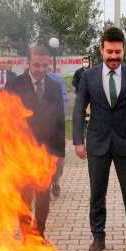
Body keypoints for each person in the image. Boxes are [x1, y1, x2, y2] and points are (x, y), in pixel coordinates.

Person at [72, 26, 126, 251]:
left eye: (118, 52)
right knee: (97, 193)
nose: (114, 56)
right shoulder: (88, 77)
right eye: (110, 52)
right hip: (97, 143)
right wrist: (78, 140)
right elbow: (78, 110)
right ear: (101, 50)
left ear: (124, 50)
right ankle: (98, 237)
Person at [7, 47, 65, 237]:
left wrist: (59, 153)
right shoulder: (15, 85)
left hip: (46, 151)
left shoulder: (54, 86)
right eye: (37, 65)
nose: (41, 69)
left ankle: (39, 233)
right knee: (24, 196)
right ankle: (26, 235)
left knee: (43, 195)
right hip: (22, 151)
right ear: (28, 63)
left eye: (44, 65)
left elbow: (59, 121)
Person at [46, 66, 68, 198]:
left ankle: (55, 181)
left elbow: (64, 98)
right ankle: (44, 186)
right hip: (38, 127)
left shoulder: (57, 80)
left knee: (58, 159)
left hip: (55, 125)